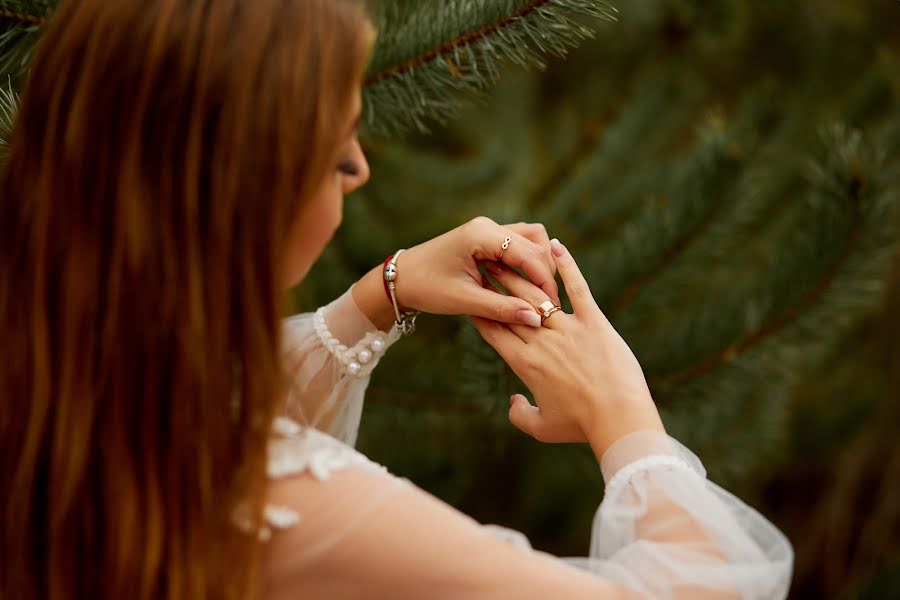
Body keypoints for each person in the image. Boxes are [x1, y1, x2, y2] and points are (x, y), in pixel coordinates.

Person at [0, 0, 793, 598]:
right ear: (240, 191)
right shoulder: (271, 498)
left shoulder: (57, 369)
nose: (359, 167)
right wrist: (627, 419)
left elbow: (208, 405)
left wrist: (383, 294)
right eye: (334, 152)